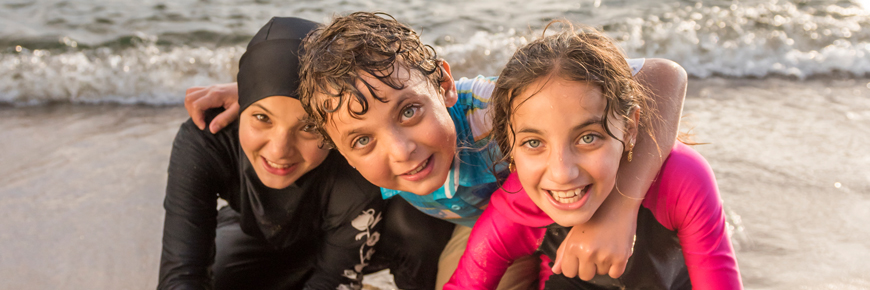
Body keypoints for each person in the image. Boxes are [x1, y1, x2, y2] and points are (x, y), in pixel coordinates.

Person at [186, 12, 687, 289]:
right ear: (336, 141)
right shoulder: (340, 131)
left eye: (409, 111)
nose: (402, 150)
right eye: (363, 139)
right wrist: (252, 94)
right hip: (494, 231)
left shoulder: (492, 110)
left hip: (585, 196)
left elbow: (666, 73)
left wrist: (618, 211)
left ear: (444, 84)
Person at [445, 22, 742, 289]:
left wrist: (618, 212)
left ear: (629, 129)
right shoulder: (518, 204)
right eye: (534, 143)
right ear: (508, 147)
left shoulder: (680, 179)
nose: (562, 173)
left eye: (588, 138)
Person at [158, 17, 390, 290]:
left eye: (308, 127)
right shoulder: (208, 140)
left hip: (366, 239)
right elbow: (181, 274)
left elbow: (331, 281)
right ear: (241, 105)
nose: (279, 150)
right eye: (261, 117)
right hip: (261, 235)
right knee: (221, 276)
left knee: (417, 231)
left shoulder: (356, 157)